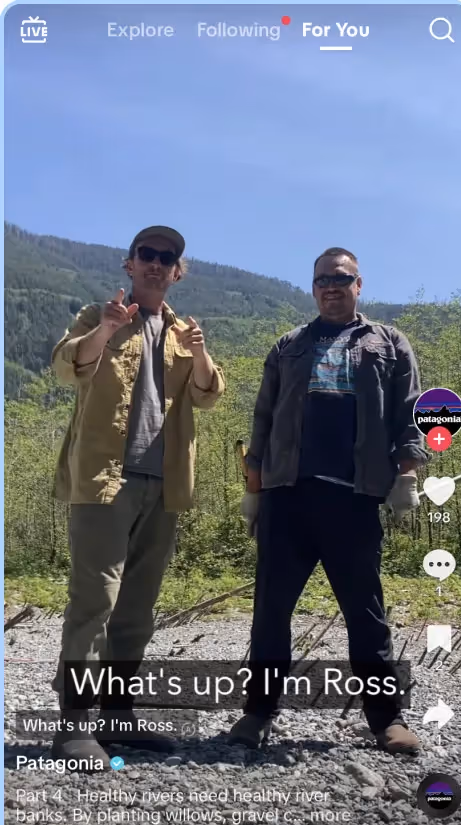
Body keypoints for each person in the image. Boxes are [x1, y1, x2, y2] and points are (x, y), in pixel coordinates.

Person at [232, 247, 427, 754]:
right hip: (286, 496)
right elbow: (262, 419)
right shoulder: (289, 345)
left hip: (354, 499)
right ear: (313, 287)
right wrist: (253, 491)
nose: (331, 286)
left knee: (366, 614)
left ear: (359, 284)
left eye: (341, 278)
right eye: (322, 279)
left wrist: (406, 475)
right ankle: (257, 713)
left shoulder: (389, 343)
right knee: (271, 611)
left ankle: (387, 719)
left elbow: (410, 411)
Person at [50, 225, 225, 767]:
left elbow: (209, 395)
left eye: (166, 257)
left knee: (137, 609)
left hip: (164, 485)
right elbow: (66, 366)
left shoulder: (183, 333)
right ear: (130, 264)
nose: (155, 262)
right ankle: (74, 726)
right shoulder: (96, 315)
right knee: (95, 602)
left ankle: (117, 715)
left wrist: (199, 354)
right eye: (146, 254)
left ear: (177, 272)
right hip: (103, 481)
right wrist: (105, 329)